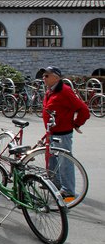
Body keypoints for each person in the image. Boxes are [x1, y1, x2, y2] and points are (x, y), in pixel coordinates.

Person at [41, 66, 90, 199]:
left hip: (62, 133)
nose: (43, 78)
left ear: (55, 78)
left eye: (46, 76)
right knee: (51, 160)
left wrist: (76, 123)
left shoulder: (65, 91)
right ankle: (54, 183)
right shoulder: (51, 90)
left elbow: (83, 110)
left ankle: (68, 190)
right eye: (43, 75)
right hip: (51, 131)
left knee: (64, 162)